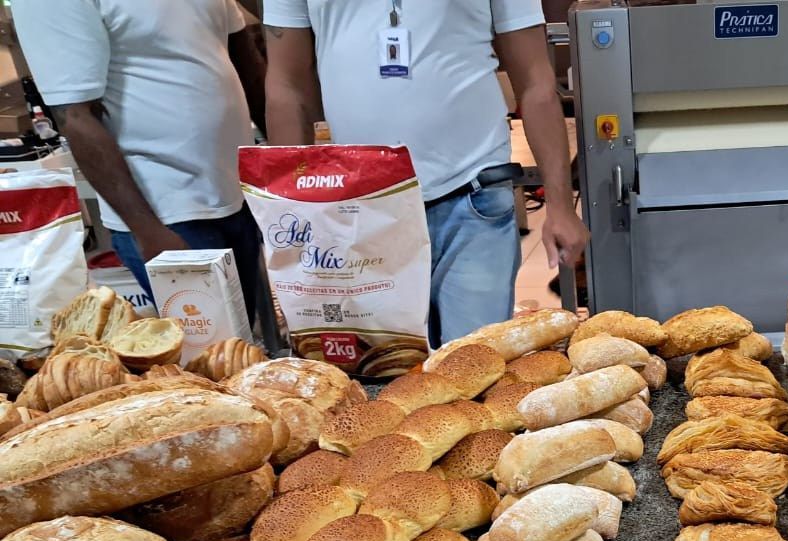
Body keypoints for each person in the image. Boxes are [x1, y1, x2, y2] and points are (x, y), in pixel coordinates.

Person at [263, 1, 588, 346]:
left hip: (474, 195)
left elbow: (536, 82)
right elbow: (287, 88)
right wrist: (292, 214)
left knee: (474, 369)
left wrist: (561, 206)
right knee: (389, 377)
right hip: (362, 209)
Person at [10, 0, 267, 312]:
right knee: (208, 353)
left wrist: (285, 171)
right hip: (168, 214)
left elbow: (244, 58)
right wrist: (148, 232)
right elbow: (74, 117)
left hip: (237, 194)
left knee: (243, 347)